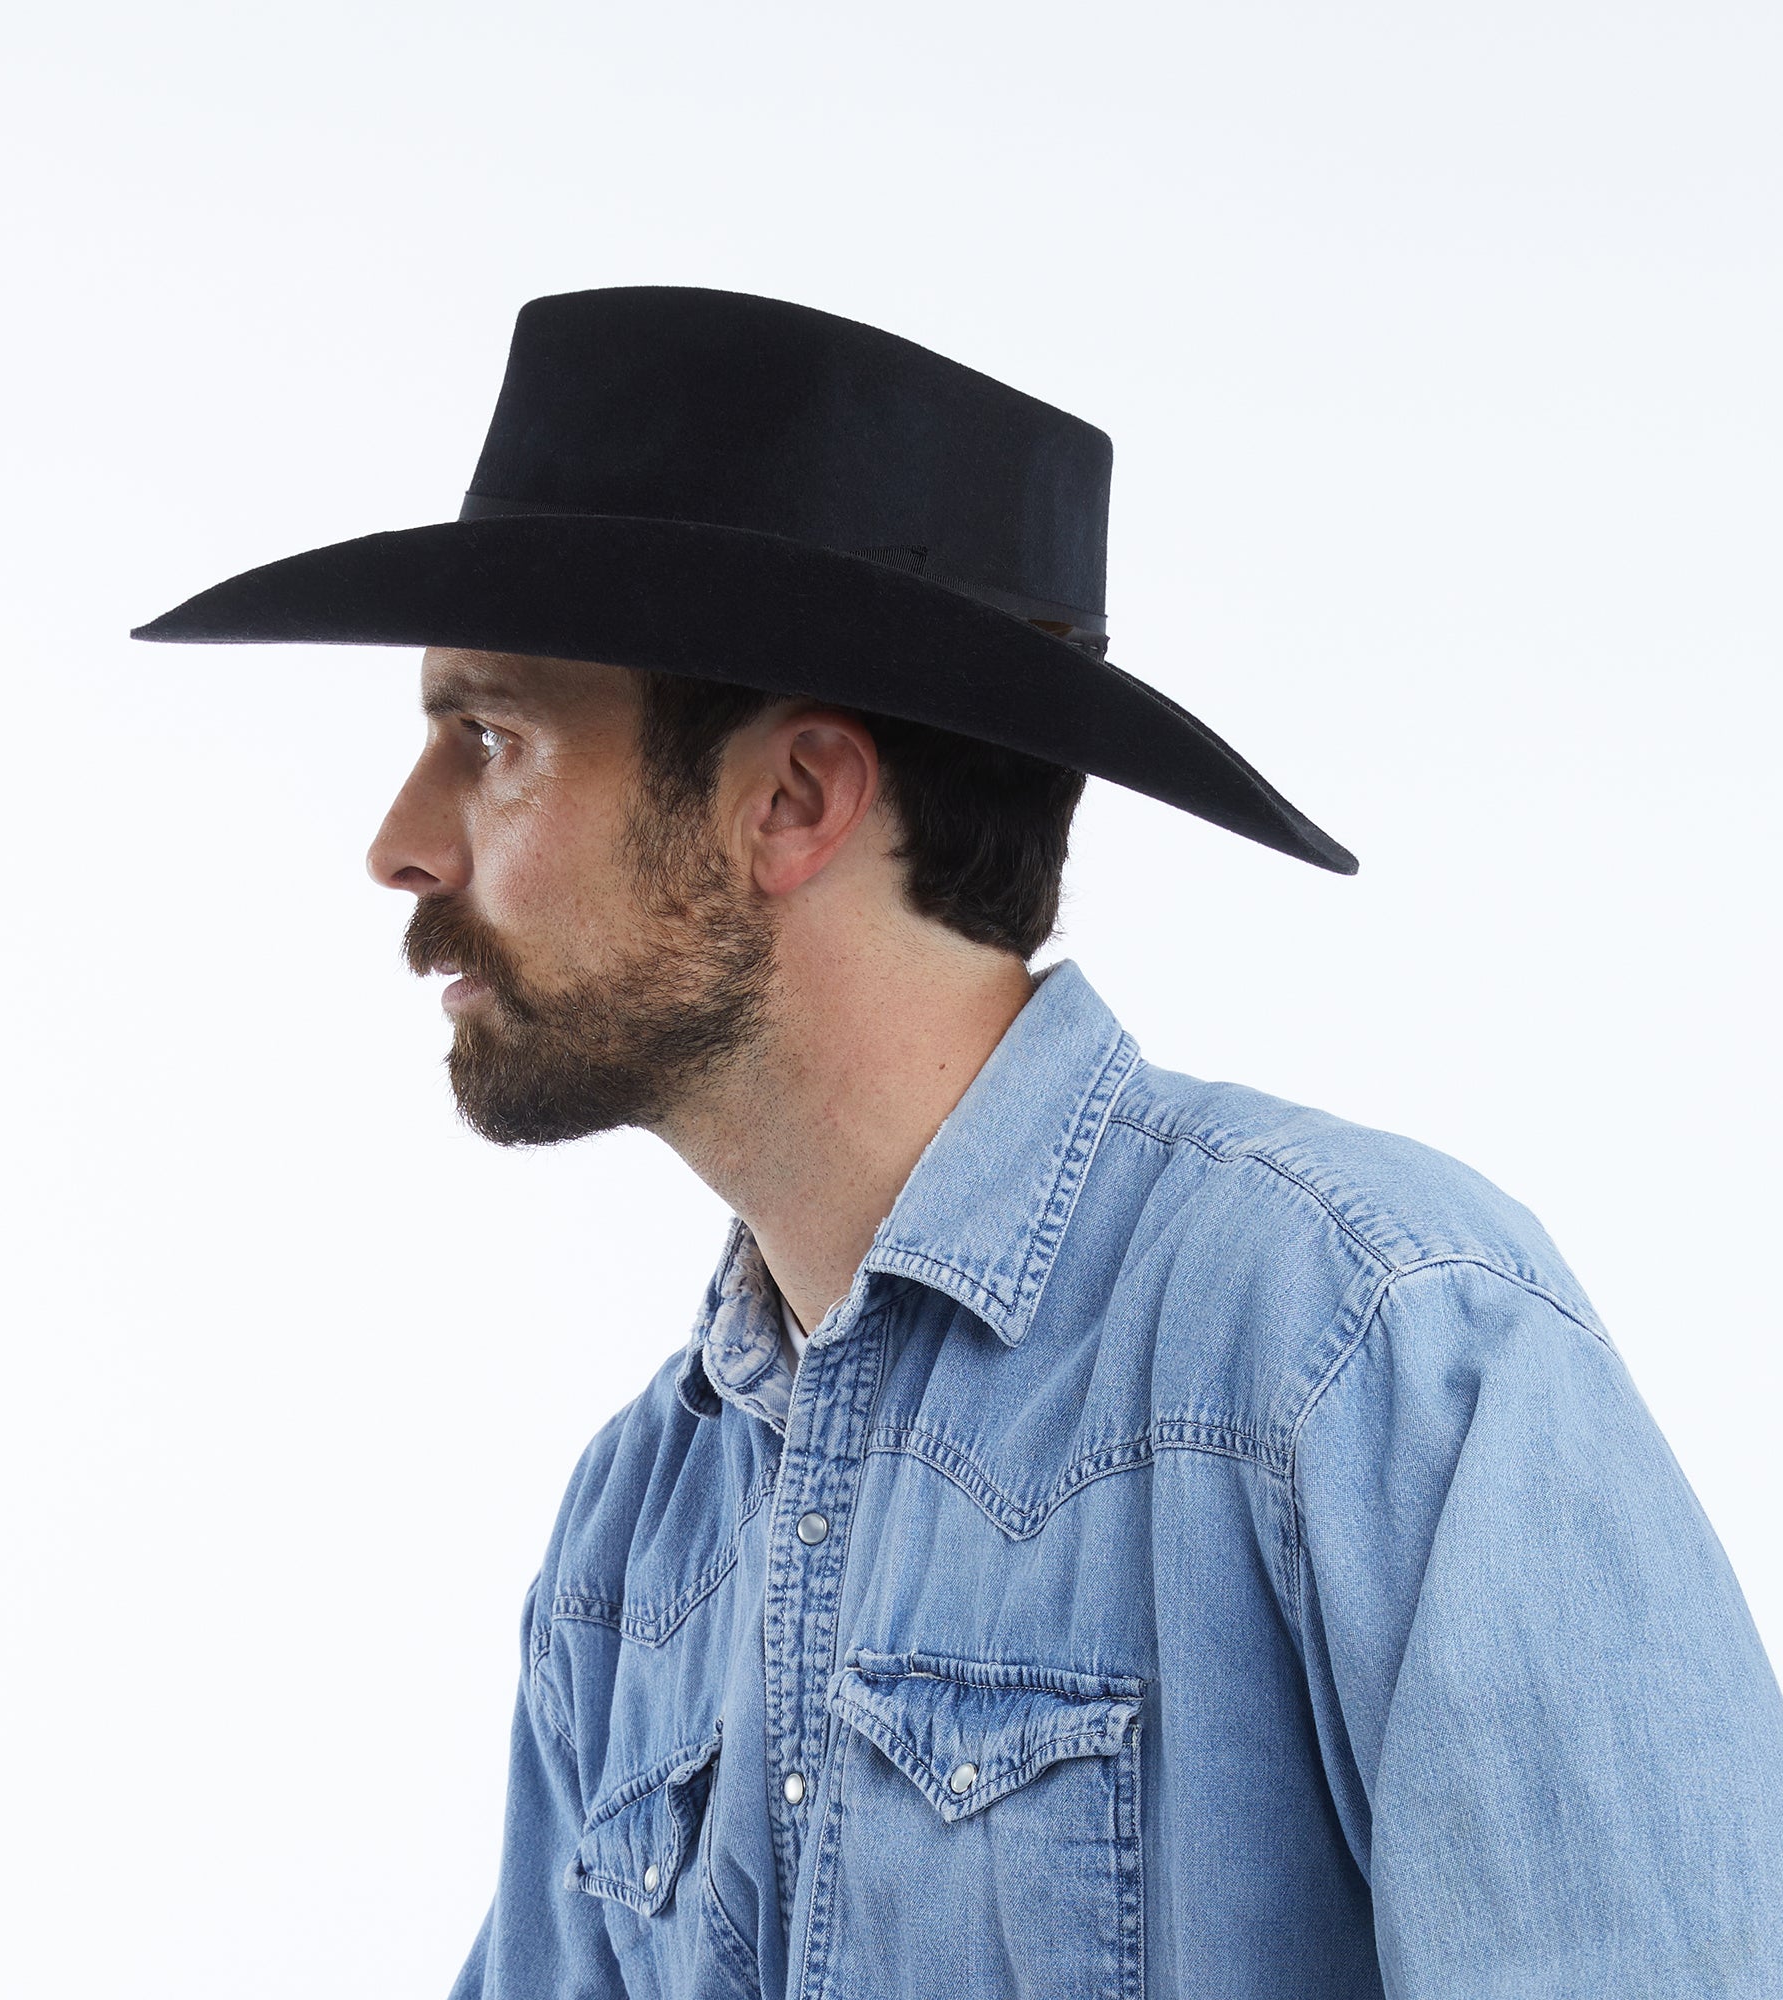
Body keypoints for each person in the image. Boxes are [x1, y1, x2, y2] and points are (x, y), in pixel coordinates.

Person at [134, 287, 1783, 1999]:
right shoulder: (637, 1536)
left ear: (794, 799)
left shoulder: (1370, 1344)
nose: (400, 844)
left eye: (490, 739)